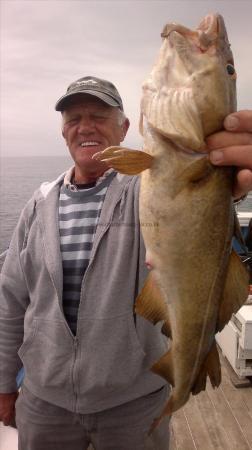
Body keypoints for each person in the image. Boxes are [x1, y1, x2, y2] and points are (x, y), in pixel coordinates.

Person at [0, 76, 251, 450]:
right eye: (74, 118)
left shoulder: (146, 185)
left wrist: (220, 174)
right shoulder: (37, 205)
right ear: (63, 130)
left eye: (99, 115)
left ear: (125, 127)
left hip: (132, 403)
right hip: (43, 400)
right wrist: (5, 385)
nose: (85, 126)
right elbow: (10, 303)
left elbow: (186, 194)